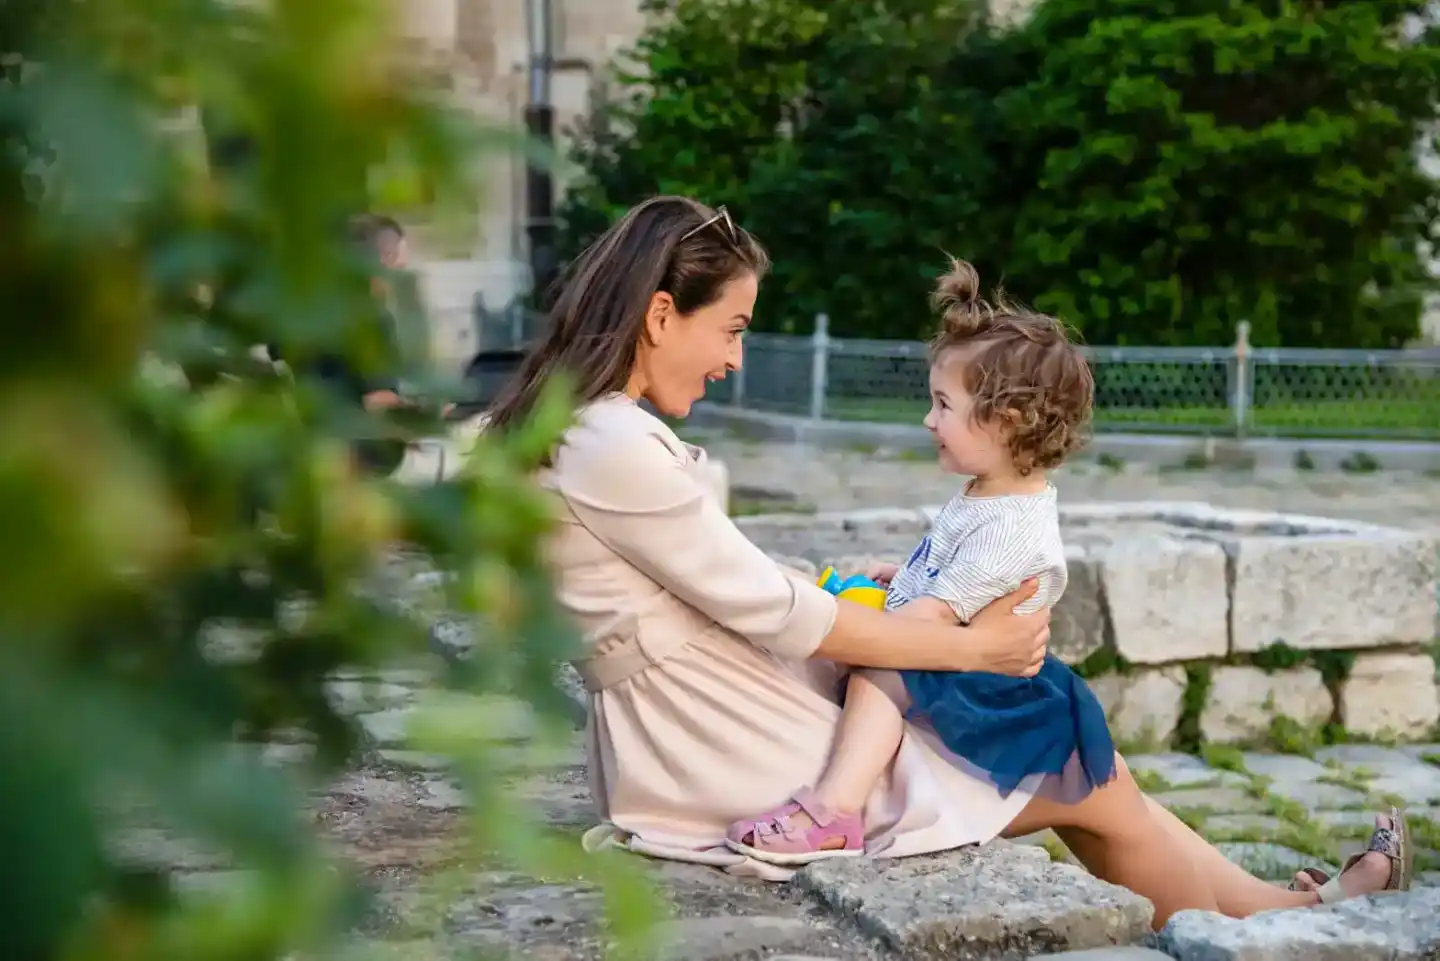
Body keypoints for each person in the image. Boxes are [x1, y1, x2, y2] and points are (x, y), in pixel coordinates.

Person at [485, 195, 1412, 927]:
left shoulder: (584, 427)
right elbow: (773, 610)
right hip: (732, 740)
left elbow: (743, 592)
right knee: (1076, 772)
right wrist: (980, 650)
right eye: (730, 329)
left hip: (715, 716)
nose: (736, 358)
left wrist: (877, 608)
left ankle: (1291, 907)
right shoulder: (611, 441)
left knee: (1086, 779)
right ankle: (1297, 914)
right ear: (658, 315)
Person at [725, 261, 1117, 867]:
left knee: (884, 671)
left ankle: (835, 810)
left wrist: (842, 619)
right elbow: (944, 582)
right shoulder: (992, 492)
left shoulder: (1012, 529)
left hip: (988, 692)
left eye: (943, 405)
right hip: (965, 661)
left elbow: (928, 626)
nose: (928, 420)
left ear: (1005, 422)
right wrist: (898, 578)